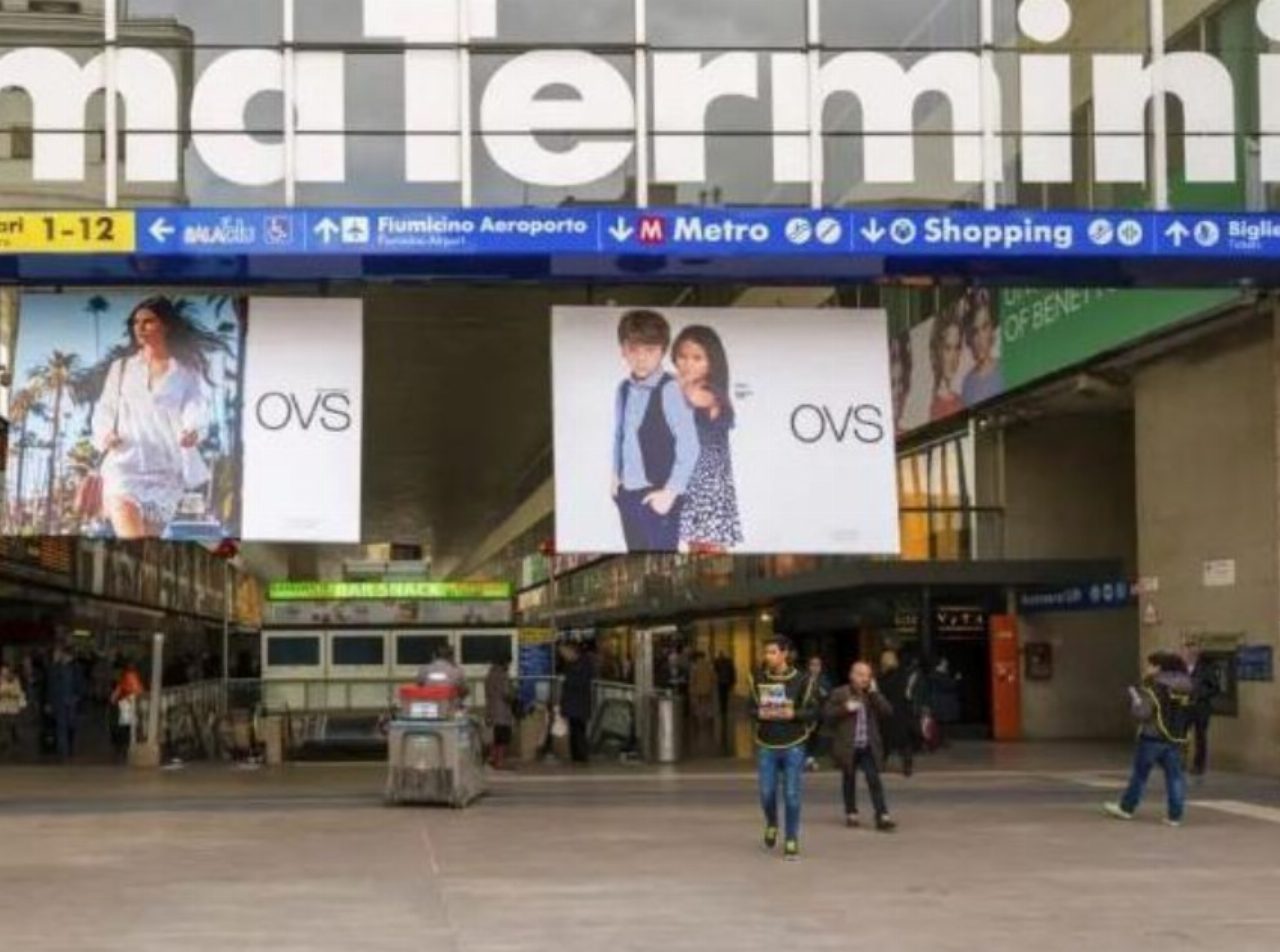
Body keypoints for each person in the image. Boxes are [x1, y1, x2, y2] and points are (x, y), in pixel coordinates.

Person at [91, 295, 230, 538]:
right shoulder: (121, 367)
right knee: (132, 538)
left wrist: (192, 430)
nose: (140, 328)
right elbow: (105, 407)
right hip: (125, 464)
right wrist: (106, 434)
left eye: (148, 321)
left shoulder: (186, 370)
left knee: (147, 545)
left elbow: (195, 406)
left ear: (166, 325)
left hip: (165, 469)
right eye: (136, 322)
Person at [611, 309, 700, 552]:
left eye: (649, 350)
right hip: (627, 494)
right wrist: (615, 476)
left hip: (657, 495)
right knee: (637, 559)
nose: (641, 357)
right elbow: (620, 435)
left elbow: (690, 445)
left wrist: (670, 493)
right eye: (634, 349)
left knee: (661, 566)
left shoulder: (671, 389)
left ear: (662, 351)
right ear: (623, 350)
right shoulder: (623, 389)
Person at [748, 635, 819, 861]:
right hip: (766, 743)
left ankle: (791, 839)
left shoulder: (803, 680)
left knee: (791, 795)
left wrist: (794, 713)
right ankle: (771, 823)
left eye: (772, 652)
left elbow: (815, 711)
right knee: (766, 793)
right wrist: (757, 712)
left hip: (793, 744)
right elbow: (749, 708)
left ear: (784, 653)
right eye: (766, 652)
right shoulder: (758, 678)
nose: (768, 656)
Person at [672, 325, 743, 551]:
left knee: (705, 545)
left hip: (706, 483)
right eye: (682, 357)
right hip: (698, 480)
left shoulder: (704, 392)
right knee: (701, 544)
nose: (687, 364)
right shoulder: (691, 389)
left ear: (712, 362)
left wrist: (678, 387)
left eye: (697, 358)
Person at [1106, 652, 1194, 827]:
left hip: (1152, 737)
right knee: (1175, 777)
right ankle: (1175, 816)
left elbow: (1143, 713)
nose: (1147, 668)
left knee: (1140, 775)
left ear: (1159, 667)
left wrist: (1135, 699)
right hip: (1175, 737)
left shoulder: (1154, 687)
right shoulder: (1186, 686)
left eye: (1150, 665)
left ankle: (1126, 808)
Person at [826, 661, 897, 832]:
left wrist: (875, 694)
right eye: (861, 674)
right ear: (852, 675)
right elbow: (827, 714)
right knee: (849, 779)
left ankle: (882, 815)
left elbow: (888, 711)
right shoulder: (840, 693)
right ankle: (851, 812)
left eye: (868, 675)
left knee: (874, 779)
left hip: (867, 746)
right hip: (848, 745)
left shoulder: (872, 695)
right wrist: (845, 708)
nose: (865, 679)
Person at [877, 650, 915, 777]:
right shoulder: (902, 674)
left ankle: (880, 764)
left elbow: (880, 692)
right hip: (901, 710)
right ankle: (907, 766)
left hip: (886, 710)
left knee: (885, 739)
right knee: (903, 741)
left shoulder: (882, 677)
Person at [960, 289, 1002, 406]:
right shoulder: (967, 384)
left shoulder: (1005, 369)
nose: (979, 339)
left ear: (992, 331)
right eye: (974, 331)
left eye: (984, 327)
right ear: (969, 338)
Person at [1183, 646, 1218, 777]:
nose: (1188, 655)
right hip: (1184, 707)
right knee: (1181, 736)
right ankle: (1180, 762)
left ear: (1197, 655)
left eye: (1192, 653)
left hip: (1200, 708)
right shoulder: (1181, 669)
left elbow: (1214, 688)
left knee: (1200, 737)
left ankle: (1198, 765)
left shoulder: (1206, 669)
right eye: (1186, 652)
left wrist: (1200, 693)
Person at [559, 642, 595, 764]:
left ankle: (581, 755)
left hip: (579, 703)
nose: (563, 655)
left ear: (572, 652)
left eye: (564, 653)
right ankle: (576, 755)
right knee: (574, 730)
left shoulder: (583, 665)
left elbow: (581, 682)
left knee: (579, 730)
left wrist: (568, 681)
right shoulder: (571, 665)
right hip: (573, 704)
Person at [46, 646, 83, 761]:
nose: (65, 657)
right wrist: (49, 702)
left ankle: (68, 747)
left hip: (71, 701)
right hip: (59, 701)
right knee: (61, 725)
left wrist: (78, 696)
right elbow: (50, 686)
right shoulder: (54, 668)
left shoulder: (76, 668)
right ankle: (63, 750)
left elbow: (80, 683)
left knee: (71, 725)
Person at [929, 305, 965, 421]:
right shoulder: (930, 404)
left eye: (957, 347)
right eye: (947, 348)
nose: (953, 357)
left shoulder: (961, 402)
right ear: (937, 351)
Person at [109, 660, 145, 762]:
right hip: (132, 703)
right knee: (130, 727)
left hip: (125, 703)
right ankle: (128, 747)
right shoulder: (136, 676)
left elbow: (117, 692)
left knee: (124, 728)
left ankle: (123, 749)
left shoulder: (125, 677)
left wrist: (113, 700)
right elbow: (140, 690)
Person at [484, 656, 515, 770]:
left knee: (494, 737)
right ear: (505, 663)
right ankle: (500, 762)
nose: (509, 667)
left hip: (491, 711)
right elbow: (507, 694)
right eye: (509, 664)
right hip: (502, 712)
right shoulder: (503, 676)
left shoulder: (489, 675)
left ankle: (492, 758)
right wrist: (514, 695)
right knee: (502, 739)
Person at [804, 656, 833, 771]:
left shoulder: (824, 681)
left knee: (816, 737)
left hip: (819, 714)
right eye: (812, 665)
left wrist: (823, 693)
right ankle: (807, 759)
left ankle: (812, 758)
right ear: (809, 667)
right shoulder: (804, 679)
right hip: (806, 713)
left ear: (820, 667)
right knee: (805, 737)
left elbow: (829, 696)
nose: (815, 668)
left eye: (817, 665)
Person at [687, 651, 718, 756]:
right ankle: (708, 717)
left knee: (699, 704)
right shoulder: (709, 666)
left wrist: (691, 689)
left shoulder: (694, 667)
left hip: (698, 689)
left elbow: (692, 679)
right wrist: (711, 685)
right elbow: (714, 678)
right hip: (708, 689)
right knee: (707, 703)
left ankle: (700, 718)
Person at [0, 662, 28, 755]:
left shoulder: (14, 680)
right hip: (2, 709)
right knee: (4, 728)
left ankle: (15, 746)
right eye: (2, 671)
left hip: (13, 709)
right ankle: (5, 746)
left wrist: (11, 694)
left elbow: (19, 692)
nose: (4, 672)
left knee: (13, 727)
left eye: (6, 670)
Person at [714, 650, 737, 749]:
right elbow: (733, 672)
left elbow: (716, 671)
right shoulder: (728, 662)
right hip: (726, 681)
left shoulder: (718, 662)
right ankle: (725, 708)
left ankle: (723, 708)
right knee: (726, 695)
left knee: (721, 695)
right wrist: (733, 681)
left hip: (721, 681)